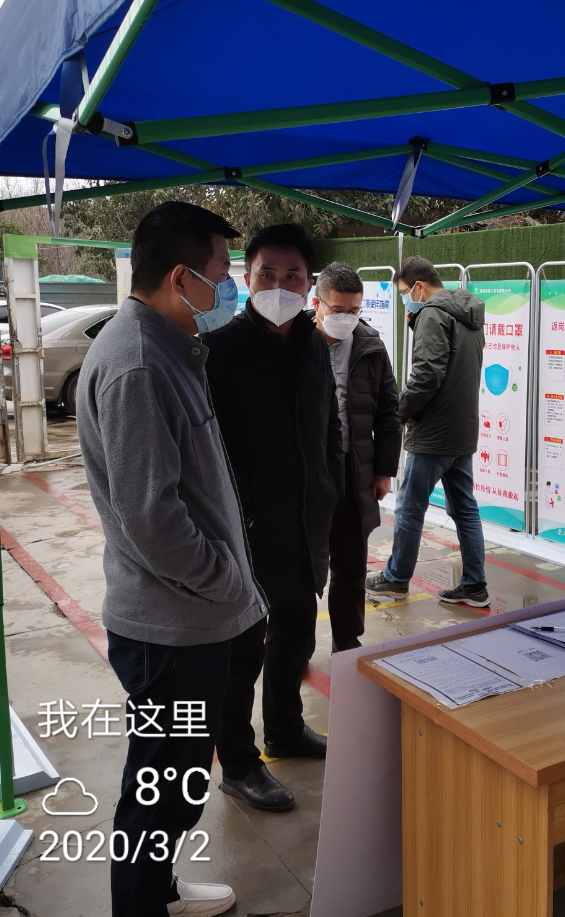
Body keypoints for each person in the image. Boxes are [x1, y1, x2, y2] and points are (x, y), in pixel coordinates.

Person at [77, 201, 262, 917]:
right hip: (171, 630)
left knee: (175, 782)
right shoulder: (139, 364)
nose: (229, 288)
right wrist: (225, 579)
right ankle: (140, 905)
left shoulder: (166, 346)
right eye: (222, 273)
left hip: (190, 618)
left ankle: (155, 892)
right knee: (159, 787)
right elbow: (153, 519)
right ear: (182, 278)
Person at [204, 223, 344, 812]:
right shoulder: (218, 351)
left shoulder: (314, 345)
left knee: (295, 635)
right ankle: (238, 762)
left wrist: (332, 492)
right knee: (242, 652)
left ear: (310, 285)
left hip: (305, 525)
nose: (279, 286)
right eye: (267, 274)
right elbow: (205, 450)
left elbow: (329, 426)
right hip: (244, 530)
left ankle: (285, 728)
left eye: (292, 276)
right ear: (246, 278)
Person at [365, 256, 488, 607]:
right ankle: (475, 585)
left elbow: (427, 375)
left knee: (409, 508)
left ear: (419, 286)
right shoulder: (467, 313)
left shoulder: (433, 314)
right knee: (464, 509)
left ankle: (395, 579)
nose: (406, 299)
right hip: (462, 430)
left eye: (405, 292)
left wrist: (397, 413)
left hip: (433, 433)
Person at [310, 262, 401, 651]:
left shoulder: (371, 347)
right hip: (307, 473)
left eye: (354, 310)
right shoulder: (294, 343)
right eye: (338, 309)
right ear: (316, 304)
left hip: (352, 471)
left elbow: (388, 413)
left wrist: (383, 471)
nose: (346, 318)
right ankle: (293, 646)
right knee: (298, 568)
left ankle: (347, 642)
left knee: (350, 566)